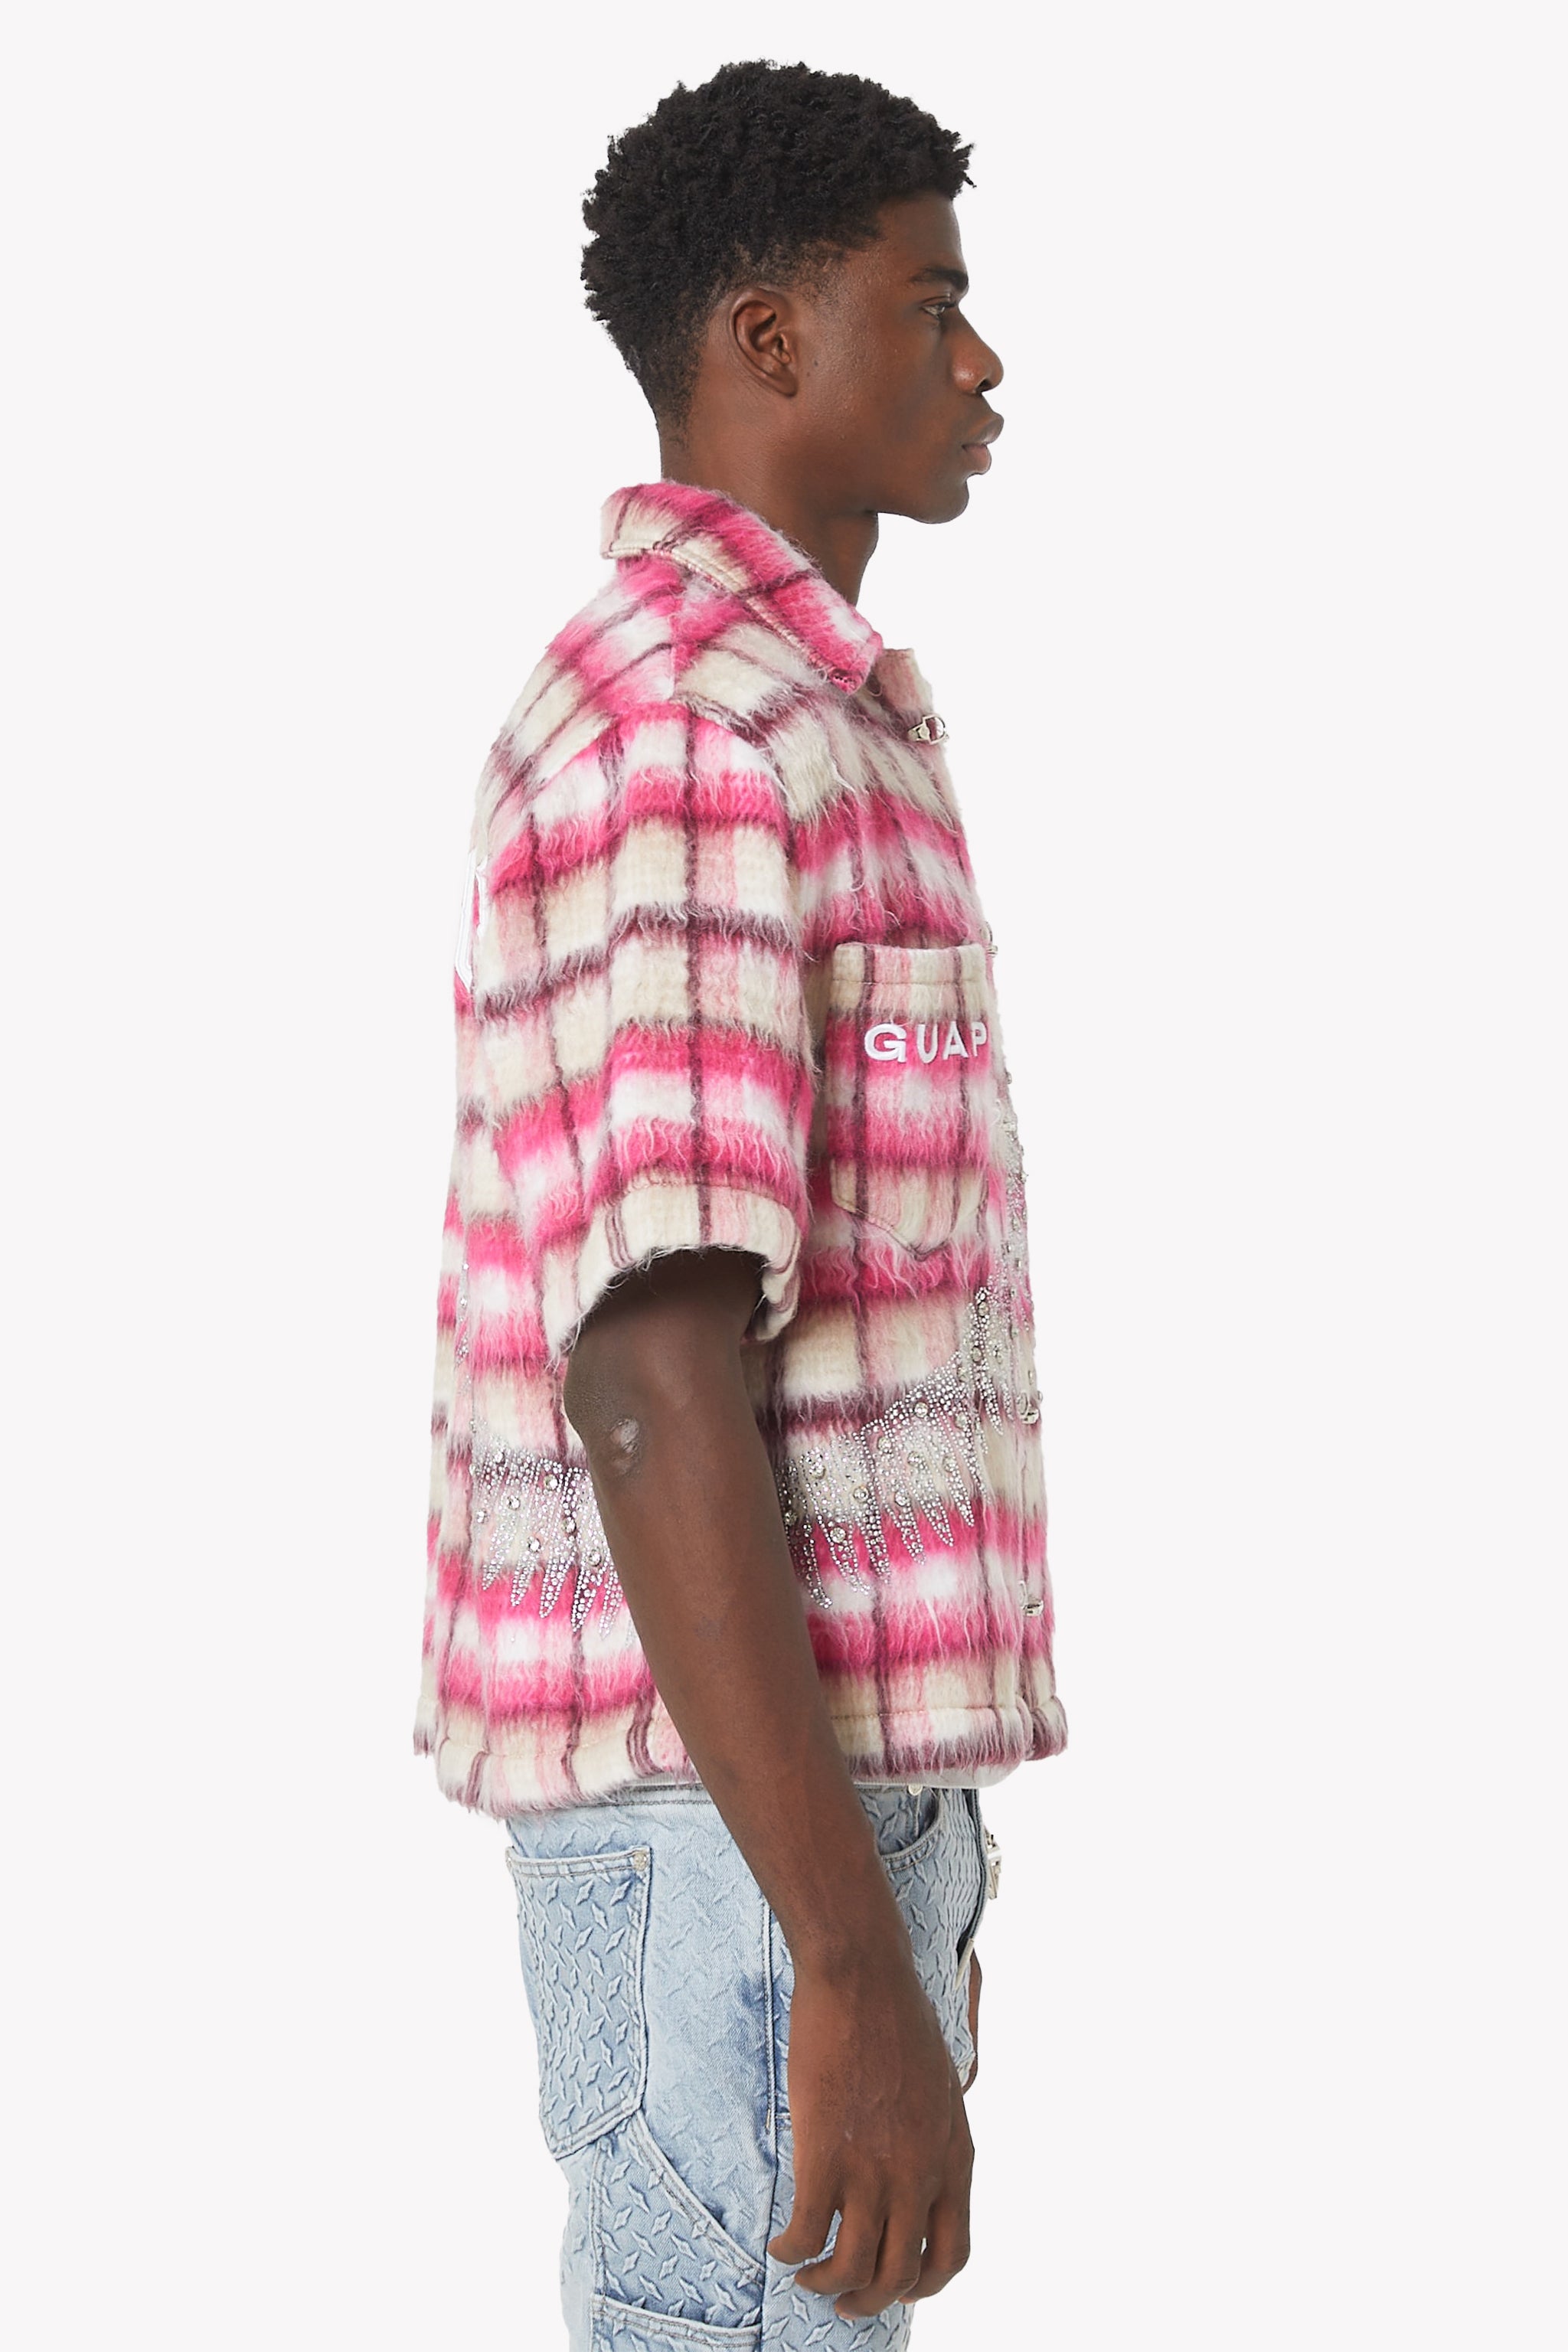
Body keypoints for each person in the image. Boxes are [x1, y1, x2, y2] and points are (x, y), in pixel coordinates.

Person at [414, 59, 1067, 2350]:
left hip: (783, 1832)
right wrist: (843, 1961)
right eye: (932, 306)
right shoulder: (694, 731)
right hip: (738, 1850)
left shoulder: (805, 717)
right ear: (768, 338)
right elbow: (652, 1371)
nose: (982, 361)